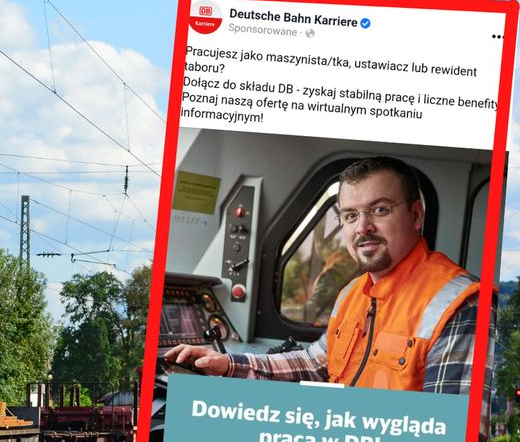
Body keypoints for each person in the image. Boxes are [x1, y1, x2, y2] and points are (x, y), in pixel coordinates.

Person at [165, 156, 491, 395]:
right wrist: (228, 365)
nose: (363, 227)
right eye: (350, 215)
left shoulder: (459, 304)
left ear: (416, 215)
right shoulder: (353, 294)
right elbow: (316, 364)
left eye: (380, 210)